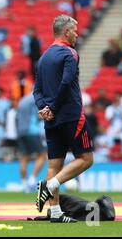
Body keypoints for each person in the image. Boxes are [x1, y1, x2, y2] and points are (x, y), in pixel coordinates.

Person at [33, 15, 94, 223]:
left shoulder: (43, 57)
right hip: (70, 114)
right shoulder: (70, 53)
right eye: (75, 30)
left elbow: (36, 90)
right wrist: (54, 107)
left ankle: (56, 212)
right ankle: (50, 185)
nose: (77, 34)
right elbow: (67, 82)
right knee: (86, 159)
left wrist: (44, 108)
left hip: (50, 119)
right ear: (66, 32)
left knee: (54, 164)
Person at [16, 93, 47, 193]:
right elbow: (39, 114)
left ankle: (24, 184)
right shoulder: (36, 99)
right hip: (32, 130)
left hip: (21, 131)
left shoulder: (22, 100)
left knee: (24, 158)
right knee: (42, 155)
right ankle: (32, 180)